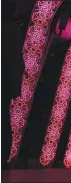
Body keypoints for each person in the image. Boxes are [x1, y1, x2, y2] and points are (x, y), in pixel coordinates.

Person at [2, 1, 25, 170]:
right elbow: (17, 61)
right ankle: (2, 159)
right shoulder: (13, 31)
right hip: (7, 82)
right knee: (4, 120)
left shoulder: (9, 30)